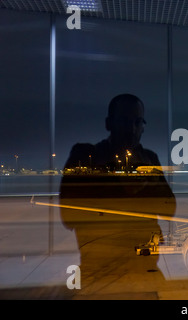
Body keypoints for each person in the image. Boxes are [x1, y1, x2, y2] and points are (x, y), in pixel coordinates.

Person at [59, 94, 176, 290]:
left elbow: (170, 208)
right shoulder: (86, 157)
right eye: (124, 121)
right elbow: (69, 215)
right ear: (109, 124)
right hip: (102, 275)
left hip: (142, 272)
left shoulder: (148, 158)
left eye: (137, 122)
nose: (131, 130)